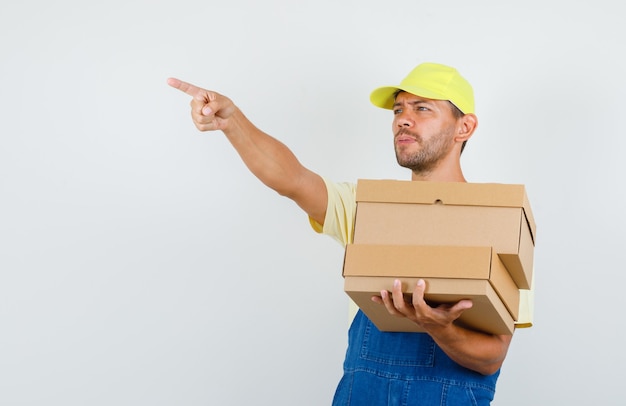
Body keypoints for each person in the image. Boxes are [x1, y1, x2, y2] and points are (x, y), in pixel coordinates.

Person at [167, 62, 533, 405]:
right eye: (398, 110)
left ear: (464, 127)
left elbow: (492, 356)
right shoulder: (370, 208)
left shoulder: (499, 219)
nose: (403, 120)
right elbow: (292, 179)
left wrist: (440, 329)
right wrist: (233, 122)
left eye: (422, 109)